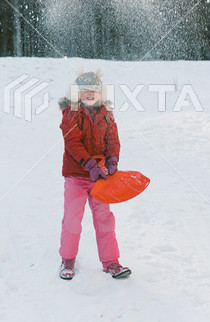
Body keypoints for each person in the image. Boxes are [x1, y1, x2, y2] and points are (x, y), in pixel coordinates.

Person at [58, 71, 131, 280]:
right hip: (77, 175)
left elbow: (112, 139)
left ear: (99, 92)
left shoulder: (106, 113)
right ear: (77, 93)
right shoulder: (71, 113)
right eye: (84, 91)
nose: (88, 94)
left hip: (100, 176)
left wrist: (112, 160)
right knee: (72, 219)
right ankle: (68, 259)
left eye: (93, 91)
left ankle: (111, 263)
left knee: (104, 219)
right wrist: (89, 164)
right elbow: (72, 142)